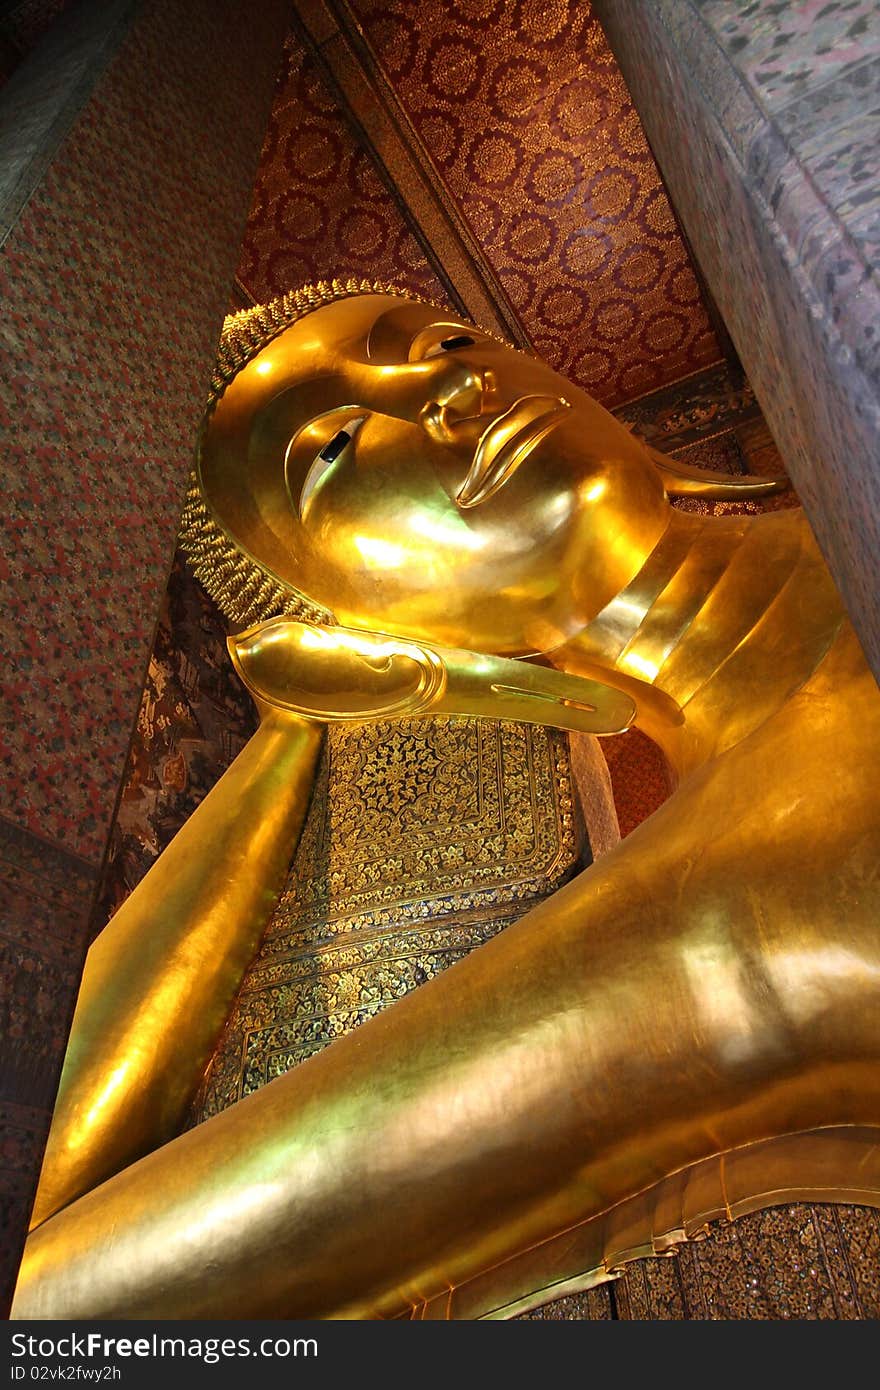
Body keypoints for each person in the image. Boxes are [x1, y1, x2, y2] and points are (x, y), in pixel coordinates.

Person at [13, 281, 880, 1319]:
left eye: (445, 339)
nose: (456, 383)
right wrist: (292, 731)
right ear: (347, 618)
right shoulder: (723, 915)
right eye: (333, 449)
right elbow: (50, 1315)